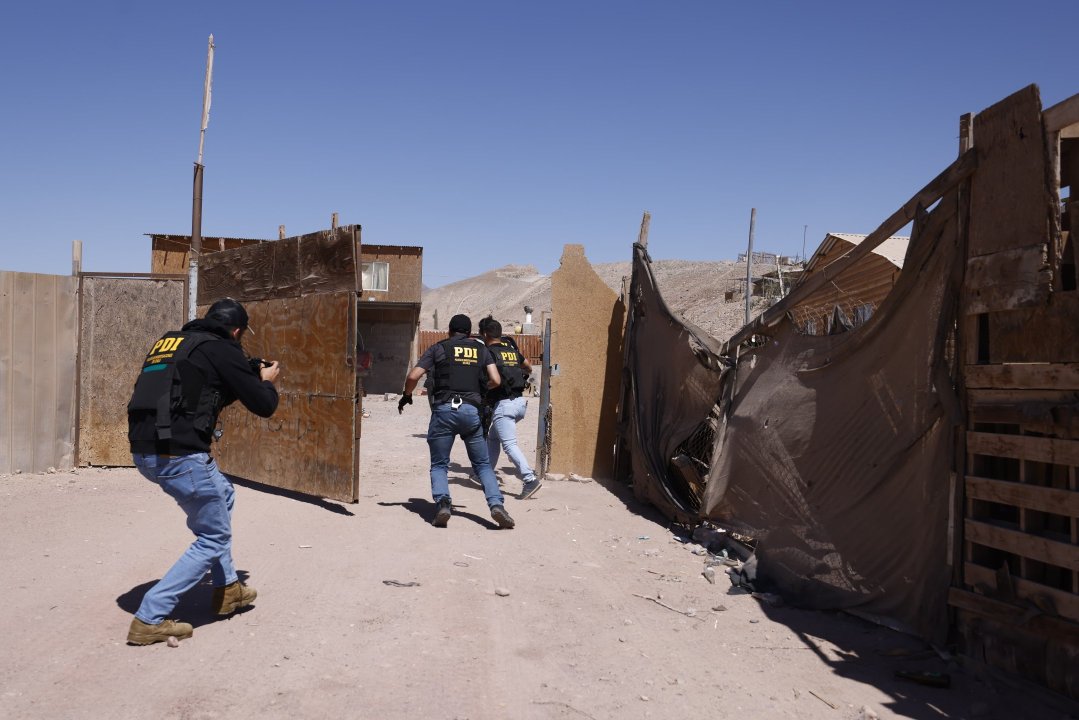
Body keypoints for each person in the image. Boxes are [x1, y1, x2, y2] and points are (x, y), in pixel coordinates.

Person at [125, 298, 280, 645]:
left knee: (223, 494)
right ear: (237, 331)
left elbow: (200, 392)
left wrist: (241, 374)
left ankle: (228, 589)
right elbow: (264, 405)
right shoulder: (222, 349)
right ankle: (150, 618)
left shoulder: (172, 343)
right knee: (214, 537)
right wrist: (266, 380)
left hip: (145, 452)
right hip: (180, 458)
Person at [398, 314, 515, 529]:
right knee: (483, 465)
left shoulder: (439, 348)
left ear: (450, 331)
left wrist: (407, 395)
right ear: (470, 333)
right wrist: (480, 390)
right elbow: (496, 380)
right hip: (471, 412)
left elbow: (414, 376)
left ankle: (443, 504)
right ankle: (497, 505)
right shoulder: (481, 349)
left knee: (439, 464)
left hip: (444, 410)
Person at [480, 317, 542, 500]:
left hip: (504, 405)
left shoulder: (488, 353)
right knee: (493, 438)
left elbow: (493, 380)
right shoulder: (512, 351)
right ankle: (486, 474)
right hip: (519, 403)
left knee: (509, 445)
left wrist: (484, 388)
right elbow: (529, 367)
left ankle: (530, 479)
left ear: (485, 334)